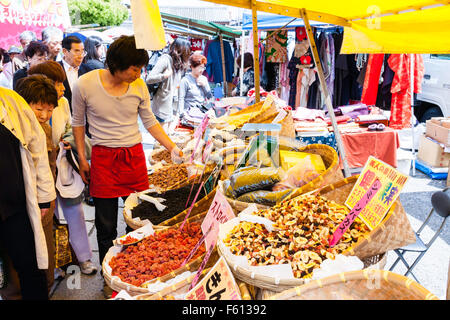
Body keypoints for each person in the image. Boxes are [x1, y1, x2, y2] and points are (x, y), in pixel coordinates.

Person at [71, 35, 183, 298]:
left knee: (142, 217)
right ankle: (109, 274)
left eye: (141, 68)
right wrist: (82, 157)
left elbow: (150, 121)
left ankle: (141, 271)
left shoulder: (139, 86)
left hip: (133, 157)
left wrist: (172, 147)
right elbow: (77, 122)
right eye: (134, 68)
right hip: (103, 158)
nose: (139, 73)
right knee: (106, 221)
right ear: (117, 63)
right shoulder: (85, 84)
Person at [27, 61, 97, 275]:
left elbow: (69, 127)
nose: (63, 87)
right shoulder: (27, 107)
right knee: (49, 219)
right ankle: (56, 263)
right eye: (58, 83)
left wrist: (67, 139)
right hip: (39, 172)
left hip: (63, 166)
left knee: (74, 211)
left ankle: (84, 258)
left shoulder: (64, 103)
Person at [0, 84, 56, 300]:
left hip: (15, 205)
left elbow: (37, 150)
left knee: (30, 267)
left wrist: (43, 198)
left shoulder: (11, 101)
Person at [15, 75, 60, 295]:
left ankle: (46, 287)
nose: (44, 116)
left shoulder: (47, 130)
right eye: (39, 109)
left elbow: (47, 169)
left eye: (50, 110)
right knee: (21, 257)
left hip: (45, 201)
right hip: (20, 203)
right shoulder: (14, 130)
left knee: (45, 254)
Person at [146, 37, 191, 131]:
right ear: (181, 50)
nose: (189, 53)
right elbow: (149, 79)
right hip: (162, 105)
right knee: (162, 136)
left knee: (167, 134)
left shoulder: (178, 63)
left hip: (171, 106)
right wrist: (164, 76)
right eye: (187, 51)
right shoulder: (166, 59)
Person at [60, 35, 92, 112]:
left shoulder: (88, 71)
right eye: (77, 51)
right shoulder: (55, 69)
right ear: (65, 51)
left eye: (83, 52)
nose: (81, 56)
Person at [178, 53, 213, 118]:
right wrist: (181, 114)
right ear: (192, 67)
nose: (202, 70)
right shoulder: (185, 80)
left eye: (203, 67)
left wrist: (204, 86)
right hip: (189, 113)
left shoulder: (204, 79)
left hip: (202, 111)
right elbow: (181, 98)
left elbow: (210, 97)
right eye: (200, 67)